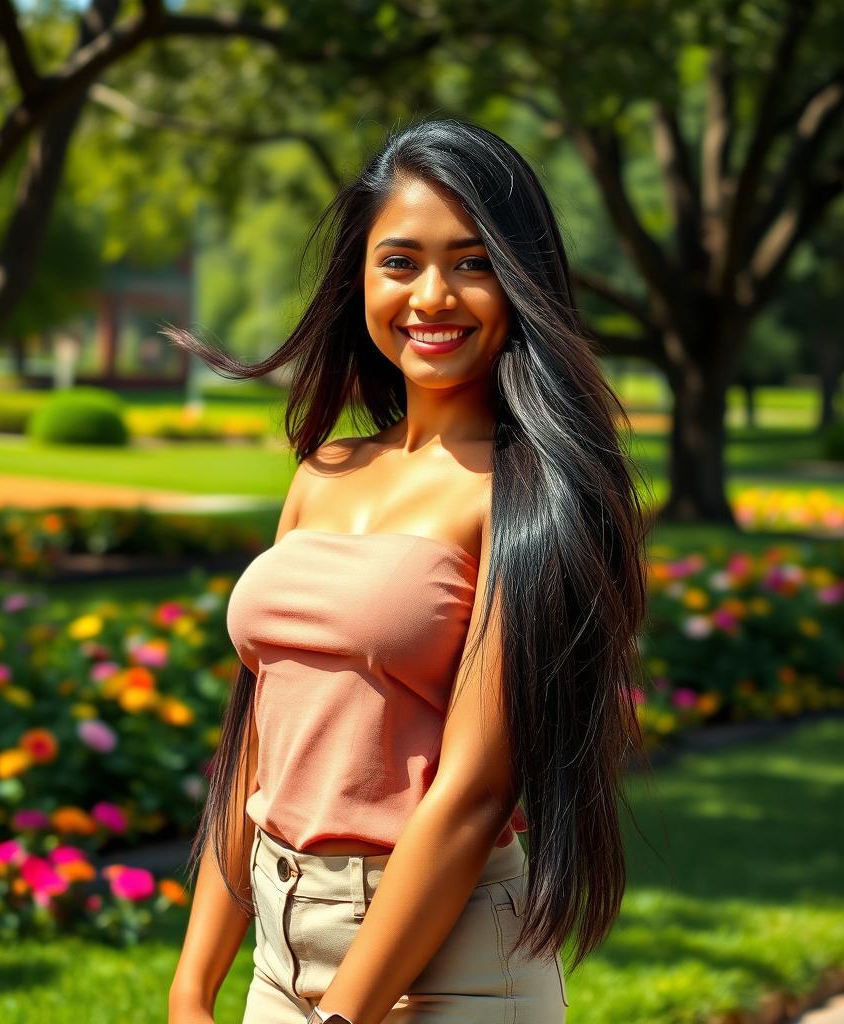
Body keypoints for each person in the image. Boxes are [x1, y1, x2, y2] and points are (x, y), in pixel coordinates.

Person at [165, 117, 651, 1024]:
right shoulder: (323, 474)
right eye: (401, 262)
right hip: (280, 946)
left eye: (473, 263)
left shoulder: (534, 495)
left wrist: (345, 1014)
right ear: (360, 279)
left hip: (452, 958)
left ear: (522, 283)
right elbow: (258, 744)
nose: (434, 296)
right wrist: (193, 986)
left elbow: (472, 795)